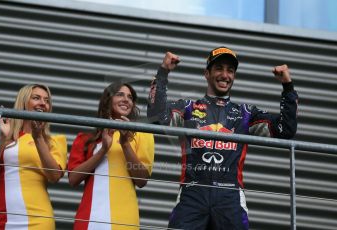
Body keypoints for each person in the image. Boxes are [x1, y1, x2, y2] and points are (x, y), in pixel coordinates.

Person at [147, 47, 298, 230]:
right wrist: (163, 72)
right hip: (193, 191)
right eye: (219, 68)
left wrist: (287, 86)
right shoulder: (188, 108)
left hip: (230, 195)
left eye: (230, 70)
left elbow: (286, 129)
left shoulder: (246, 114)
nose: (224, 75)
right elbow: (156, 116)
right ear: (207, 73)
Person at [68, 82, 155, 230]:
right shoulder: (86, 138)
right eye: (120, 94)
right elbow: (73, 179)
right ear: (108, 99)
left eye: (130, 97)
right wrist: (103, 150)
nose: (126, 99)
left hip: (124, 221)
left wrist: (125, 144)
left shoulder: (142, 134)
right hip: (89, 219)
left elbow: (141, 180)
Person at [0, 84, 67, 229]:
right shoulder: (1, 137)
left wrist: (38, 137)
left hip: (38, 220)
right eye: (36, 98)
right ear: (23, 102)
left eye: (46, 100)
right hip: (3, 218)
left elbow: (54, 176)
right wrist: (3, 138)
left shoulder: (54, 141)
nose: (42, 103)